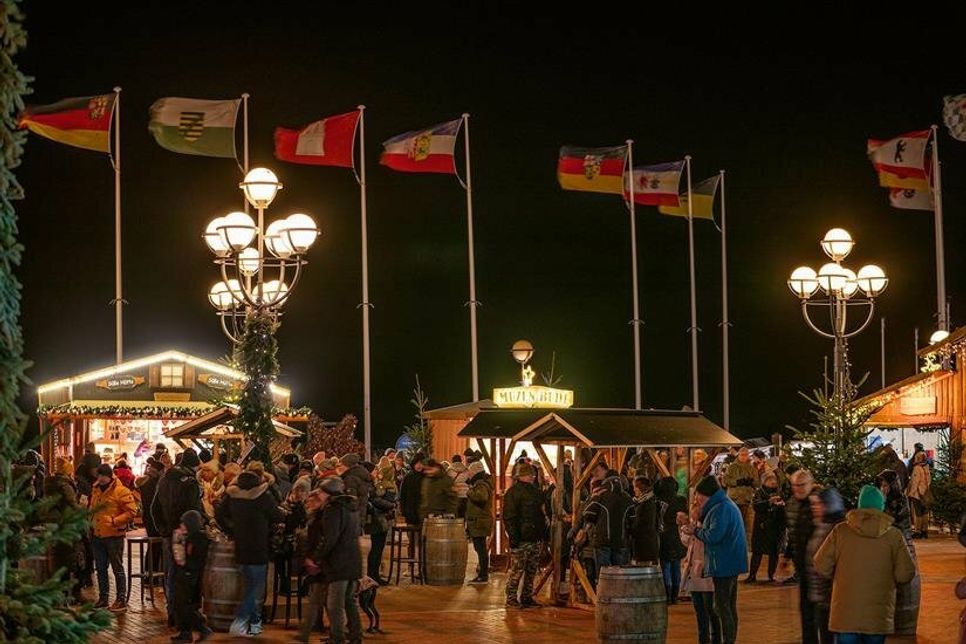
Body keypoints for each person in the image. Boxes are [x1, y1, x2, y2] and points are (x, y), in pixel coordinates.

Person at [814, 485, 916, 643]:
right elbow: (905, 574)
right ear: (881, 505)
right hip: (878, 614)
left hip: (845, 613)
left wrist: (837, 576)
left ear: (859, 504)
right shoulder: (894, 536)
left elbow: (821, 564)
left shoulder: (840, 531)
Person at [680, 475, 747, 644]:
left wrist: (695, 531)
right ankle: (728, 639)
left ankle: (728, 640)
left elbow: (713, 535)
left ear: (706, 494)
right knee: (727, 606)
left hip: (725, 562)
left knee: (722, 606)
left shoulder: (720, 508)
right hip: (728, 561)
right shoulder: (722, 505)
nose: (696, 498)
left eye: (698, 495)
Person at [216, 469, 283, 636]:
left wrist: (231, 529)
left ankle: (254, 626)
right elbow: (277, 516)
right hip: (259, 546)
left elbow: (219, 514)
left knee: (249, 585)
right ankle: (240, 621)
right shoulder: (263, 496)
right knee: (254, 588)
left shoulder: (232, 496)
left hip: (241, 546)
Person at [306, 477, 363, 644]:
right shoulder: (351, 507)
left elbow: (330, 538)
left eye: (322, 492)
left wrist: (315, 557)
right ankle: (355, 636)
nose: (320, 494)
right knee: (349, 601)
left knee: (334, 604)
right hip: (353, 560)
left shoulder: (333, 509)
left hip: (339, 562)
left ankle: (337, 638)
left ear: (329, 493)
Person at [153, 447, 205, 627]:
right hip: (185, 535)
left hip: (169, 535)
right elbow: (193, 511)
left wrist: (164, 529)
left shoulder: (164, 480)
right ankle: (185, 616)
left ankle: (172, 613)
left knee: (171, 575)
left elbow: (154, 508)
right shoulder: (190, 482)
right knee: (186, 576)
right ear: (194, 466)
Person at [876, 468, 920, 637]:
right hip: (889, 548)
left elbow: (891, 526)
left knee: (903, 584)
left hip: (902, 548)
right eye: (881, 485)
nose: (883, 488)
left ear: (893, 486)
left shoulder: (898, 502)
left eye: (886, 485)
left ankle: (902, 625)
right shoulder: (885, 501)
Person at [89, 463, 137, 611]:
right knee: (101, 568)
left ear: (110, 476)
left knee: (117, 568)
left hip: (113, 535)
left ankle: (121, 599)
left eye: (104, 476)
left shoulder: (121, 491)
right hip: (97, 535)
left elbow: (131, 511)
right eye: (99, 475)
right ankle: (103, 598)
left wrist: (115, 521)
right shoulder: (96, 489)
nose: (101, 479)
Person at [503, 463, 547, 608]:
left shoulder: (516, 492)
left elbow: (509, 517)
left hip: (528, 537)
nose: (532, 477)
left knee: (528, 569)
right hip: (525, 537)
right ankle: (513, 597)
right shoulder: (519, 493)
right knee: (521, 569)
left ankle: (524, 597)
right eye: (530, 474)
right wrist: (514, 537)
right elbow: (510, 517)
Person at [41, 457, 83, 604]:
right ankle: (67, 596)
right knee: (69, 559)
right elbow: (72, 503)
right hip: (65, 524)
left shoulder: (48, 483)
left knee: (56, 558)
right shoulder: (64, 485)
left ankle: (57, 595)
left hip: (52, 526)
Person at [680, 495, 722, 644]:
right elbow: (687, 543)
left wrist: (692, 530)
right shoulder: (694, 524)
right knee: (699, 610)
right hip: (694, 572)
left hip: (706, 571)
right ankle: (703, 639)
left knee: (710, 609)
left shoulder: (710, 525)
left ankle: (716, 639)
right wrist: (685, 528)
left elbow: (710, 541)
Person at [806, 487, 846, 644]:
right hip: (821, 595)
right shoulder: (821, 524)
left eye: (818, 504)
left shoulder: (836, 529)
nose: (814, 508)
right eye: (813, 504)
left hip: (830, 597)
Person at [170, 510, 213, 642]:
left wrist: (177, 541)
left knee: (183, 605)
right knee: (180, 604)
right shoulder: (192, 537)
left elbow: (182, 559)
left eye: (184, 523)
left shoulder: (197, 539)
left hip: (189, 576)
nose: (181, 526)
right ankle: (185, 633)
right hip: (187, 574)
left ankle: (202, 628)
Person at [578, 472, 633, 574]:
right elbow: (633, 520)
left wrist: (594, 498)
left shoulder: (601, 495)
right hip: (621, 542)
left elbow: (587, 514)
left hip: (603, 541)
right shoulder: (628, 498)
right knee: (620, 577)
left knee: (605, 577)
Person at [786, 469, 818, 643]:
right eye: (794, 485)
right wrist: (787, 555)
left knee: (816, 607)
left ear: (810, 484)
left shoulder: (817, 504)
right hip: (802, 565)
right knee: (805, 606)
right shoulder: (792, 504)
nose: (797, 489)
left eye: (801, 485)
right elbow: (793, 533)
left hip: (817, 565)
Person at [747, 471, 785, 583]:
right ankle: (752, 575)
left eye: (774, 479)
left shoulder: (780, 492)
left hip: (775, 526)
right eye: (770, 480)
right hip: (761, 526)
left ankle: (771, 575)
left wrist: (781, 506)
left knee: (774, 552)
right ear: (764, 481)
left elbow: (784, 506)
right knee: (757, 551)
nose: (773, 482)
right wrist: (769, 502)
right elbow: (756, 506)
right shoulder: (759, 492)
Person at [655, 476, 688, 603]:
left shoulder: (659, 502)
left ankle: (667, 595)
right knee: (676, 566)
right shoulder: (680, 500)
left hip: (664, 536)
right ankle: (675, 595)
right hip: (677, 536)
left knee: (666, 566)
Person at [722, 447, 759, 543]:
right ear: (738, 455)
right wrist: (737, 482)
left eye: (745, 455)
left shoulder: (751, 468)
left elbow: (757, 483)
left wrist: (751, 482)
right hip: (734, 499)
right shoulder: (732, 467)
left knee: (746, 525)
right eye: (742, 455)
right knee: (733, 523)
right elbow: (725, 481)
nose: (743, 457)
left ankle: (744, 544)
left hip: (746, 500)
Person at [135, 457, 165, 578]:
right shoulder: (154, 484)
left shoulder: (145, 482)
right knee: (155, 547)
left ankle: (149, 575)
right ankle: (152, 576)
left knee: (153, 546)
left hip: (148, 517)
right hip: (154, 519)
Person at [465, 460, 494, 583]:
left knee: (481, 549)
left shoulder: (480, 484)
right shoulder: (481, 483)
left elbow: (481, 497)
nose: (468, 474)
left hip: (479, 521)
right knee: (480, 548)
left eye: (470, 472)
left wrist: (469, 491)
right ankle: (483, 573)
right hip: (479, 520)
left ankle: (483, 574)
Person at [367, 478, 397, 584]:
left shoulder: (372, 484)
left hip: (378, 518)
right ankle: (373, 575)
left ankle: (374, 575)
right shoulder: (371, 484)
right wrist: (391, 505)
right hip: (377, 518)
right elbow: (375, 500)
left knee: (378, 548)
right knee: (377, 548)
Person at [628, 476, 660, 564]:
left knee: (645, 569)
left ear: (642, 487)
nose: (634, 489)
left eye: (635, 487)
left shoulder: (648, 503)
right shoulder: (641, 501)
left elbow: (645, 524)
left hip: (646, 544)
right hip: (643, 543)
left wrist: (632, 530)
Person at [340, 452, 373, 520]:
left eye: (342, 464)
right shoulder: (361, 474)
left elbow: (351, 501)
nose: (341, 466)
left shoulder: (350, 478)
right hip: (361, 513)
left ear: (348, 465)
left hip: (352, 517)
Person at [906, 451, 932, 538]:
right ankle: (925, 530)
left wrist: (911, 492)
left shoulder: (917, 468)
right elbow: (929, 481)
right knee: (925, 512)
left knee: (917, 512)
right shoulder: (926, 467)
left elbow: (915, 482)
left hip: (918, 493)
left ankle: (918, 531)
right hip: (925, 493)